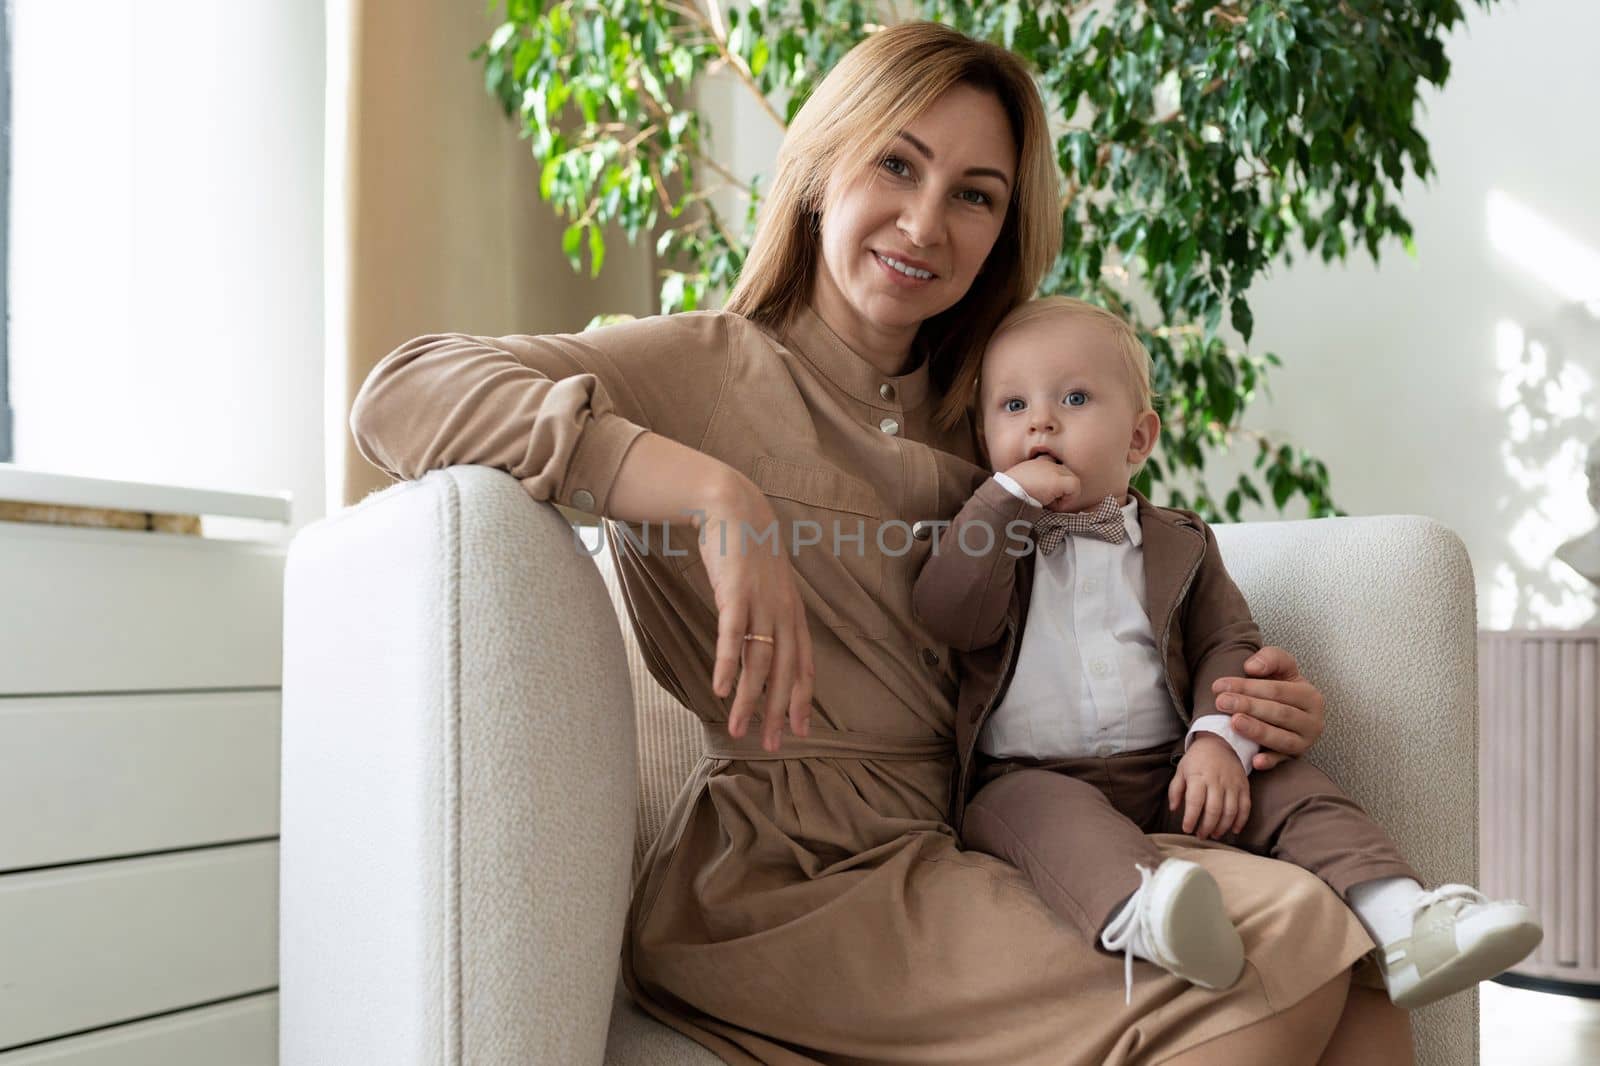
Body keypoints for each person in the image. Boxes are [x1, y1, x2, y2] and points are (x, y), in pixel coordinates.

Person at [349, 21, 1415, 1065]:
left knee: (1364, 984)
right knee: (1287, 949)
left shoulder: (991, 411)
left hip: (980, 835)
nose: (923, 221)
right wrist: (715, 494)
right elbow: (403, 392)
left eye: (974, 195)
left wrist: (1236, 702)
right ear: (819, 169)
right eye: (895, 165)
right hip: (787, 881)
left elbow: (1114, 606)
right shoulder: (698, 368)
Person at [912, 295, 1543, 1011]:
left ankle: (1408, 918)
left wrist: (1215, 742)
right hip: (1028, 775)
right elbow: (949, 615)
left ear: (1138, 439)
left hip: (1171, 769)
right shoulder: (992, 537)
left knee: (1290, 788)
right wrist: (998, 505)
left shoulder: (1181, 542)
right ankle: (1151, 911)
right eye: (1012, 405)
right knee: (1048, 822)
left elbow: (1226, 644)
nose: (1041, 422)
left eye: (1075, 398)